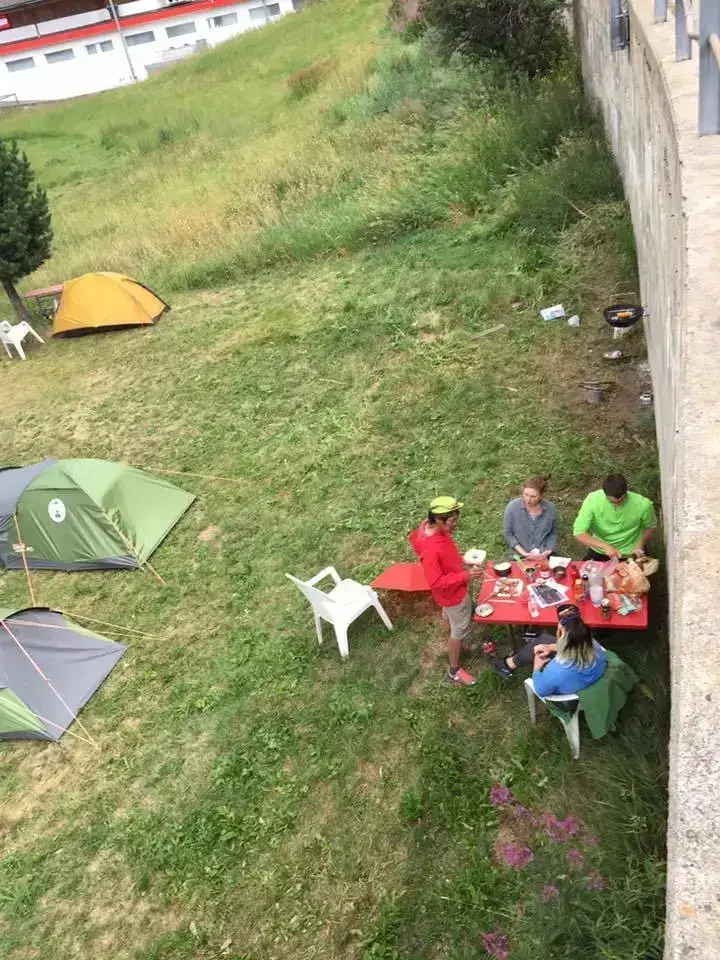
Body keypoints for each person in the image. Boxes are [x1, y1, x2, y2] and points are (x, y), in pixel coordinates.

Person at [409, 495, 485, 686]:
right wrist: (466, 576)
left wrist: (462, 560)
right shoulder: (431, 550)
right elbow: (436, 582)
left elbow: (447, 555)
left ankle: (454, 642)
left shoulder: (429, 528)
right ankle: (454, 669)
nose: (455, 524)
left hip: (448, 595)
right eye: (452, 521)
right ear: (438, 520)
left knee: (449, 618)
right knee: (459, 629)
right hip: (453, 596)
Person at [492, 603, 607, 695]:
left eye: (559, 632)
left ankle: (507, 665)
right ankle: (510, 663)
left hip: (567, 692)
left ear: (563, 640)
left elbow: (541, 690)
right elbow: (575, 647)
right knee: (545, 640)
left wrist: (537, 668)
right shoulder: (595, 646)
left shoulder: (555, 672)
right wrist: (551, 647)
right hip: (590, 675)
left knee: (543, 640)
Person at [573, 473, 657, 560]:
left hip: (632, 551)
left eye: (621, 501)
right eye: (611, 502)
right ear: (604, 493)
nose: (617, 504)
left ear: (626, 491)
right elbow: (579, 533)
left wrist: (640, 545)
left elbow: (651, 527)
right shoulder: (592, 500)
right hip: (601, 549)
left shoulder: (643, 504)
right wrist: (606, 547)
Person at [503, 475, 558, 558]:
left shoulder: (551, 509)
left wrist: (548, 551)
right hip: (520, 556)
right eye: (526, 494)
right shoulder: (512, 507)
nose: (528, 499)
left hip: (543, 554)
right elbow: (508, 534)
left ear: (541, 496)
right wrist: (524, 553)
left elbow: (553, 532)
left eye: (533, 496)